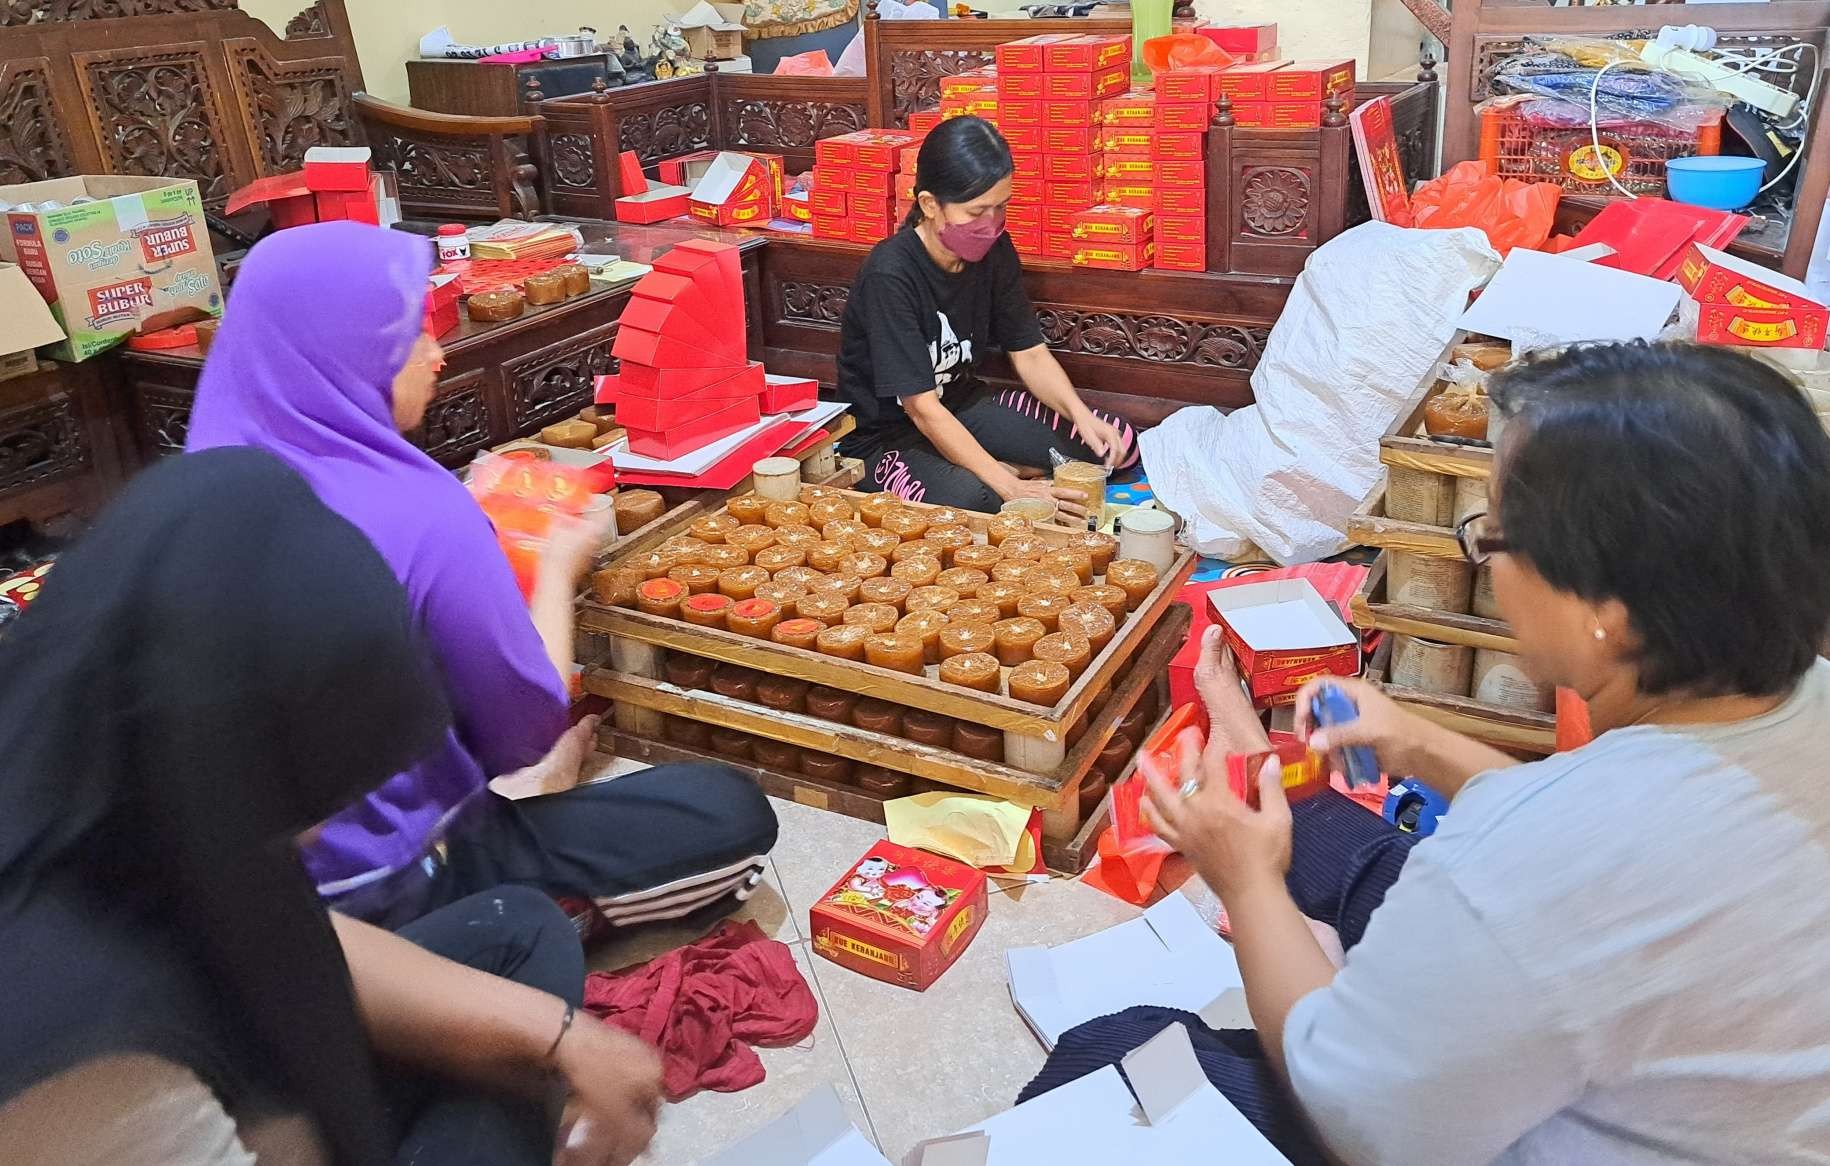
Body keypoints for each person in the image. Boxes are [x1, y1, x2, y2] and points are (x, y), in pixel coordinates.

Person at [1026, 341, 1830, 1164]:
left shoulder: (1551, 852)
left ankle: (1253, 850)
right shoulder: (1806, 697)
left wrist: (1247, 883)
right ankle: (1251, 754)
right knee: (1372, 856)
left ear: (1609, 614)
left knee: (1117, 1051)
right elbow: (1579, 833)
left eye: (1498, 535)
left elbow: (1358, 1117)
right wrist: (1418, 744)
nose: (1487, 558)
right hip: (1651, 1034)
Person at [0, 449, 662, 1166]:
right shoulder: (80, 1054)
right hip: (179, 1098)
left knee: (523, 939)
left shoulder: (120, 771)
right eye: (308, 789)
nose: (321, 831)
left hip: (230, 1059)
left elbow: (295, 930)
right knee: (508, 1092)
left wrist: (561, 1037)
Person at [185, 221, 777, 934]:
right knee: (729, 814)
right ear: (349, 353)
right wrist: (557, 567)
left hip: (212, 895)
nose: (437, 356)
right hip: (379, 881)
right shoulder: (418, 511)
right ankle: (491, 935)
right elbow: (526, 717)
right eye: (412, 337)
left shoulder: (186, 489)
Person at [834, 115, 1140, 518]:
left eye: (1000, 207)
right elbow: (922, 408)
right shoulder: (890, 274)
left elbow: (1029, 352)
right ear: (929, 204)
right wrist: (1012, 487)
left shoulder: (994, 249)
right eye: (976, 211)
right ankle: (993, 472)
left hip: (963, 407)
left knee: (1115, 447)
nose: (990, 224)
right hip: (889, 436)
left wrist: (1080, 415)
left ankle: (989, 467)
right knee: (977, 502)